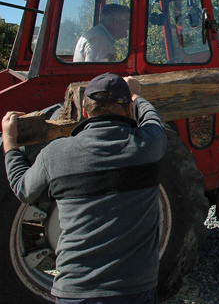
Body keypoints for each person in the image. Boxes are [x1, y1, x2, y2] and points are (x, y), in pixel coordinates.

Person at [3, 73, 167, 303]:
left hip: (74, 293)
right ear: (129, 110)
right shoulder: (149, 144)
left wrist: (10, 143)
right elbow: (152, 118)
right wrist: (137, 95)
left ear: (84, 110)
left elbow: (22, 189)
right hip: (133, 292)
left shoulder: (55, 154)